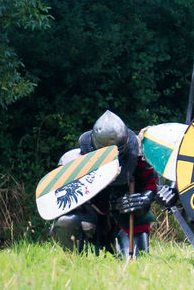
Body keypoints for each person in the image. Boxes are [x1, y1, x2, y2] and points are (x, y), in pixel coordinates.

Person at [52, 110, 157, 257]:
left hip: (125, 216)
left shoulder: (136, 158)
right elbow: (60, 195)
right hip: (91, 215)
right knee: (67, 221)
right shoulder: (77, 160)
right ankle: (74, 261)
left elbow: (151, 184)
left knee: (134, 259)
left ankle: (123, 248)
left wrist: (145, 198)